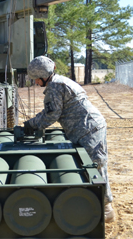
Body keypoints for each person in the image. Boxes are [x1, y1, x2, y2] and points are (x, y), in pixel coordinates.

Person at [23, 56, 115, 223]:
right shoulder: (59, 82)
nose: (35, 83)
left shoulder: (55, 86)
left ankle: (106, 208)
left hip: (89, 130)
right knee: (89, 166)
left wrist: (32, 124)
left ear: (43, 75)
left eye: (36, 79)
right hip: (85, 129)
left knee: (96, 166)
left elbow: (51, 115)